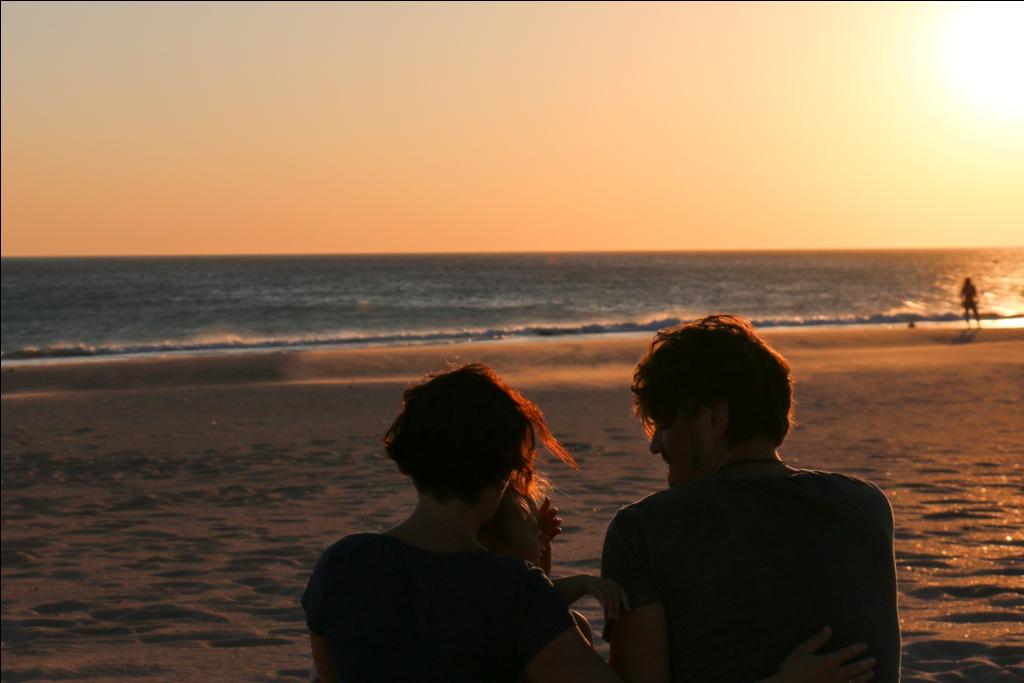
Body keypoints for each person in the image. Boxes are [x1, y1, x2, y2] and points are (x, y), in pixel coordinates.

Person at [303, 363, 876, 683]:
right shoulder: (515, 597)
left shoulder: (342, 567)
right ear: (510, 466)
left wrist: (545, 586)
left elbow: (426, 620)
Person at [602, 315, 901, 683]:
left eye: (663, 423)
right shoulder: (864, 505)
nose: (655, 445)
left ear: (712, 421)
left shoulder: (643, 529)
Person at [479, 487, 630, 645]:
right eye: (532, 528)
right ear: (491, 539)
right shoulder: (487, 590)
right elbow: (527, 599)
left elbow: (536, 591)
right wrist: (582, 583)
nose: (542, 538)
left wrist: (542, 547)